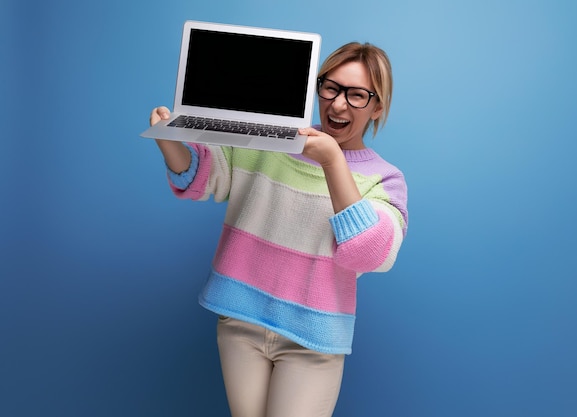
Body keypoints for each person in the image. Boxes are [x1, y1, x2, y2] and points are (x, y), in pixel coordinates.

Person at [149, 41, 408, 417]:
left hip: (313, 341)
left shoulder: (386, 179)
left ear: (378, 106)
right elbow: (204, 176)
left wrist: (334, 161)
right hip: (241, 322)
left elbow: (370, 254)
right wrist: (167, 138)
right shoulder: (268, 139)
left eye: (356, 95)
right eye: (331, 88)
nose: (337, 104)